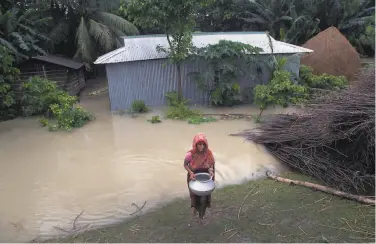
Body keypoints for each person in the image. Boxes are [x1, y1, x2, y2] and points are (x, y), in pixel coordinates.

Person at [184, 133, 215, 219]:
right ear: (195, 145)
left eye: (203, 144)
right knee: (193, 195)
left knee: (204, 197)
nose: (202, 147)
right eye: (199, 144)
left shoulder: (208, 153)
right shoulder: (190, 155)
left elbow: (211, 164)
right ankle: (194, 207)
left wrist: (211, 169)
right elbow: (185, 164)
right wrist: (190, 173)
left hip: (205, 176)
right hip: (193, 176)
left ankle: (202, 214)